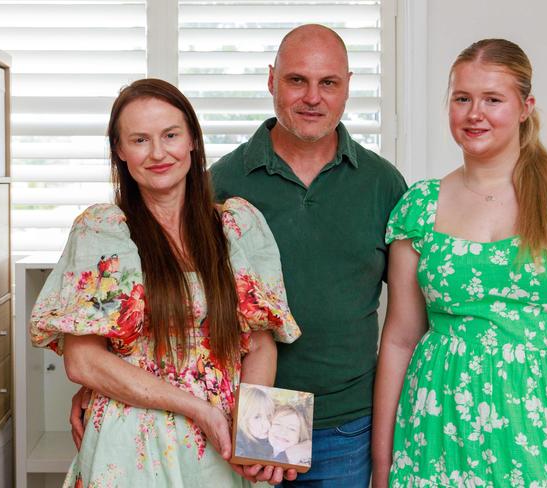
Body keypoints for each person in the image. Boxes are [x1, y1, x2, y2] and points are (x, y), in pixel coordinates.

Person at [372, 38, 547, 487]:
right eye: (462, 99)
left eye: (492, 99)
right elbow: (399, 340)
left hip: (544, 432)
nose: (475, 113)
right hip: (435, 432)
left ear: (524, 107)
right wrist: (383, 466)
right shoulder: (419, 208)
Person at [30, 79, 301, 487]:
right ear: (120, 151)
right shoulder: (101, 233)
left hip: (220, 445)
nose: (158, 153)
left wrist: (254, 435)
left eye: (170, 135)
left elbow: (260, 343)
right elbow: (82, 360)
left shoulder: (239, 227)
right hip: (129, 446)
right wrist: (197, 408)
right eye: (140, 140)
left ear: (192, 138)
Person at [209, 24, 407, 486]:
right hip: (249, 418)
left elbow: (410, 318)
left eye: (328, 83)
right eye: (297, 80)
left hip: (348, 424)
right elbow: (176, 303)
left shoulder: (383, 184)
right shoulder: (221, 183)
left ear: (347, 87)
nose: (312, 97)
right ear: (271, 80)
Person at [235, 386, 276, 459]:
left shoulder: (274, 436)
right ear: (243, 419)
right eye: (257, 417)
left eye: (269, 416)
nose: (267, 425)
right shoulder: (238, 444)